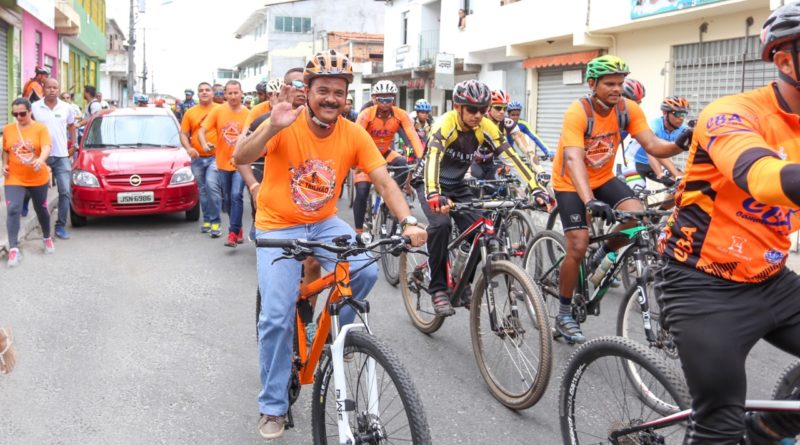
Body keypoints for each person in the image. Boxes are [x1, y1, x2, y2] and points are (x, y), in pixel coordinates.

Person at [232, 49, 427, 440]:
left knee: (365, 269)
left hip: (322, 222)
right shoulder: (282, 122)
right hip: (277, 225)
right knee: (275, 316)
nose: (331, 99)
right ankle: (273, 405)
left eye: (339, 92)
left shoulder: (354, 133)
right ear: (308, 90)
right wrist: (271, 126)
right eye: (323, 90)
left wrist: (408, 221)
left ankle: (335, 337)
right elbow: (241, 155)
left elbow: (384, 180)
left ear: (347, 97)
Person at [656, 4, 800, 443]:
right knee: (718, 424)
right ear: (785, 60)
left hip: (770, 278)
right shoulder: (733, 113)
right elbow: (761, 178)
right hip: (701, 285)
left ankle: (765, 432)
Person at [550, 55, 690, 343]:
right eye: (609, 84)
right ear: (593, 84)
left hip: (603, 178)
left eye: (620, 83)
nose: (616, 89)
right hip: (570, 181)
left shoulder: (629, 109)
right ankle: (564, 313)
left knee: (636, 217)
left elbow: (652, 144)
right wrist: (589, 201)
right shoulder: (578, 112)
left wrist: (679, 143)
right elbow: (574, 158)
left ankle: (603, 255)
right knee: (577, 245)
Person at [415, 79, 549, 316]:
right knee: (442, 225)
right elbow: (433, 159)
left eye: (483, 109)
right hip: (429, 182)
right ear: (458, 106)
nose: (478, 115)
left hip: (456, 184)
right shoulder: (444, 125)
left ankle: (464, 284)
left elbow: (510, 155)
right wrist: (434, 194)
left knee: (482, 229)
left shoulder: (485, 126)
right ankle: (437, 289)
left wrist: (535, 187)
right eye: (472, 109)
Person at [353, 80, 424, 233]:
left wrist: (421, 158)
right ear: (374, 99)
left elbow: (412, 137)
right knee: (362, 191)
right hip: (366, 156)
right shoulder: (366, 114)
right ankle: (358, 232)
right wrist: (356, 162)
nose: (385, 103)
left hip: (385, 152)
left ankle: (389, 193)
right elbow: (355, 138)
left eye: (389, 99)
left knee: (403, 165)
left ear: (394, 99)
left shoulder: (400, 114)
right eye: (381, 99)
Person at [2, 98, 55, 267]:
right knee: (13, 209)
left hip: (37, 177)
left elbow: (46, 146)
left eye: (22, 113)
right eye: (15, 114)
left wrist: (41, 159)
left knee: (41, 209)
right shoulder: (8, 129)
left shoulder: (40, 128)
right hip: (14, 177)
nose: (18, 117)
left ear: (30, 111)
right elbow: (5, 151)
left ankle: (47, 237)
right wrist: (4, 165)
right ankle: (13, 249)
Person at [199, 80, 249, 248]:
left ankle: (233, 233)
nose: (233, 96)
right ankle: (238, 226)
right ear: (225, 95)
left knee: (236, 195)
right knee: (227, 199)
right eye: (230, 93)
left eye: (236, 93)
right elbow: (202, 130)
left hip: (240, 163)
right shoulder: (218, 111)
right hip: (221, 163)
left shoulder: (248, 113)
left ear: (241, 93)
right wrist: (205, 144)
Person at [31, 78, 77, 240]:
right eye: (49, 87)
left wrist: (75, 144)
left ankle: (60, 226)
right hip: (40, 157)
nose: (52, 90)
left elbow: (72, 126)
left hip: (61, 156)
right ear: (43, 88)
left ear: (58, 89)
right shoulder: (35, 107)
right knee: (35, 191)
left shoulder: (66, 107)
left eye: (55, 87)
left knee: (65, 191)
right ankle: (25, 201)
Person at [180, 82, 222, 237]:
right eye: (201, 90)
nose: (204, 92)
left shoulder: (220, 110)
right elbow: (184, 134)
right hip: (197, 158)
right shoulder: (190, 112)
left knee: (212, 187)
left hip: (215, 157)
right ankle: (208, 220)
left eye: (207, 90)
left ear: (212, 93)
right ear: (198, 94)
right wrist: (189, 149)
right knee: (203, 191)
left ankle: (216, 222)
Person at [629, 96, 686, 186]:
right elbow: (651, 151)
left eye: (684, 114)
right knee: (638, 194)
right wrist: (660, 174)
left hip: (658, 161)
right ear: (665, 113)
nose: (681, 118)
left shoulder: (682, 130)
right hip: (634, 162)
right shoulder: (654, 126)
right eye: (677, 114)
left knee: (681, 185)